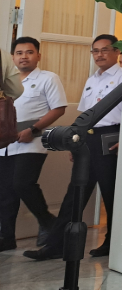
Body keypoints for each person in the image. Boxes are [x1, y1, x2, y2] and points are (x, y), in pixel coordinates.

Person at [25, 35, 122, 260]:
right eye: (95, 51)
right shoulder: (92, 79)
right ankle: (56, 245)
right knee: (75, 194)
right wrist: (75, 143)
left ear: (117, 51)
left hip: (111, 137)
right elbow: (84, 115)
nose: (99, 55)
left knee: (110, 193)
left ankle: (113, 243)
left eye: (104, 50)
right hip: (87, 138)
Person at [0, 38, 67, 251]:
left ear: (38, 55)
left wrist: (34, 130)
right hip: (5, 143)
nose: (24, 56)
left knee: (22, 183)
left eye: (29, 52)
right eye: (19, 53)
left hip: (32, 141)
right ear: (12, 57)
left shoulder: (48, 78)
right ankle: (7, 238)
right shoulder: (5, 82)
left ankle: (50, 223)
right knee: (5, 193)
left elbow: (58, 109)